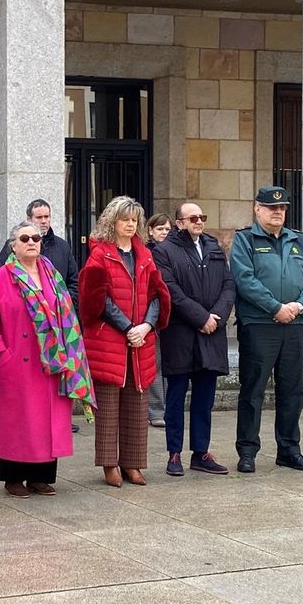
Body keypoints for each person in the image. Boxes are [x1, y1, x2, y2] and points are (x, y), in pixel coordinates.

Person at [0, 220, 94, 497]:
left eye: (35, 238)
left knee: (46, 421)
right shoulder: (0, 279)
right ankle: (13, 478)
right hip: (16, 363)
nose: (31, 242)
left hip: (51, 361)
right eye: (24, 239)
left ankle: (40, 477)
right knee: (18, 422)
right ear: (13, 246)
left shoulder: (52, 274)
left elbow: (67, 315)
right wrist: (2, 355)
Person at [78, 195, 170, 488]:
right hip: (110, 340)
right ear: (112, 222)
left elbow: (158, 294)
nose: (130, 225)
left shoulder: (145, 255)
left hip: (140, 340)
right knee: (108, 407)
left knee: (137, 404)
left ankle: (132, 463)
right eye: (125, 220)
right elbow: (97, 299)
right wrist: (128, 327)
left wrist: (146, 326)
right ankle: (110, 465)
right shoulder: (100, 255)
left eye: (134, 220)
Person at [229, 185, 303, 474]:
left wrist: (298, 306)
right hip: (259, 325)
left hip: (294, 324)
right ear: (258, 209)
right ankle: (247, 451)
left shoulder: (298, 240)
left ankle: (289, 450)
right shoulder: (245, 239)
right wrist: (275, 307)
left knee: (293, 391)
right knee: (253, 390)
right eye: (272, 207)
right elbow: (244, 279)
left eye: (282, 208)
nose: (278, 212)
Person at [153, 202, 233, 476]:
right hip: (181, 334)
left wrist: (216, 317)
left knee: (204, 398)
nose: (199, 221)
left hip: (211, 333)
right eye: (193, 218)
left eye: (202, 217)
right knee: (176, 396)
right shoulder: (164, 250)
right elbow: (170, 290)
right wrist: (201, 318)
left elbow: (228, 284)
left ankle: (201, 452)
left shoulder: (212, 246)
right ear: (179, 223)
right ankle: (174, 454)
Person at [0, 198, 80, 296]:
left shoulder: (63, 246)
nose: (44, 221)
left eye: (46, 216)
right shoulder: (15, 244)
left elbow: (73, 282)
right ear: (29, 219)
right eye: (39, 217)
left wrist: (64, 302)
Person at [144, 212, 172, 429]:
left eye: (167, 229)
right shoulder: (146, 254)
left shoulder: (174, 252)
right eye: (160, 229)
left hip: (173, 316)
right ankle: (155, 410)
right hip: (151, 315)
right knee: (155, 363)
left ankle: (167, 409)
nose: (164, 233)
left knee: (169, 364)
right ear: (150, 231)